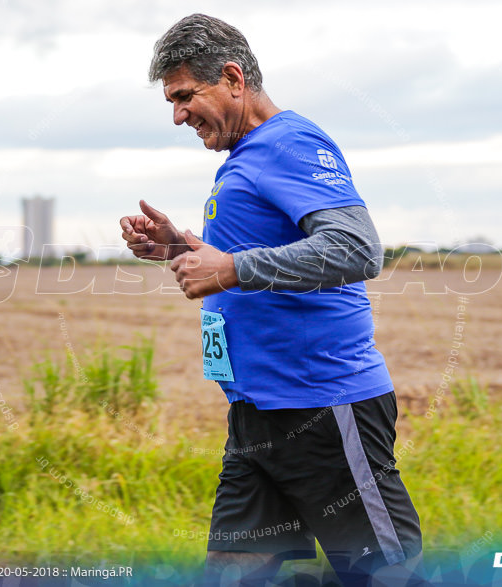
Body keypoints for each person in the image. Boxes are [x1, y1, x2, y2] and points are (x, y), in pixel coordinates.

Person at [120, 14, 424, 586]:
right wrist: (180, 248)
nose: (179, 114)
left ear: (233, 78)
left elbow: (358, 249)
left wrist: (231, 267)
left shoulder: (289, 142)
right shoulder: (245, 159)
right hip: (255, 414)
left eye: (185, 96)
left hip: (323, 407)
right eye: (172, 101)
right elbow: (252, 257)